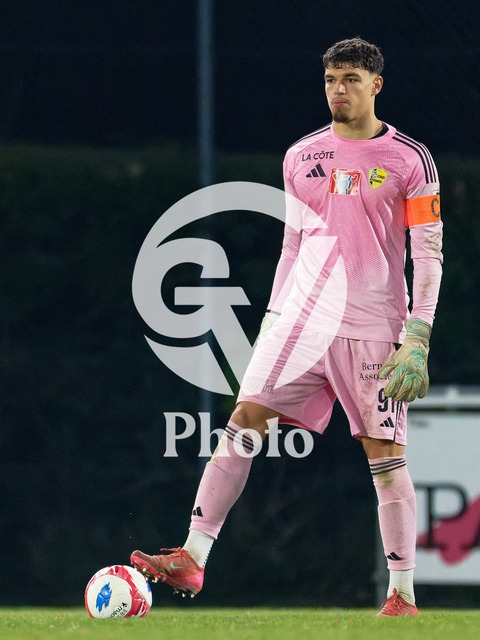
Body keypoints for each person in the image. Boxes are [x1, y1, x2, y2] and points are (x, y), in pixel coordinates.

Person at [131, 37, 443, 617]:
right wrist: (274, 318)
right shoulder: (301, 155)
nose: (338, 90)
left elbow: (427, 253)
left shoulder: (410, 159)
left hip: (372, 327)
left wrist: (418, 335)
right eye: (330, 79)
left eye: (350, 79)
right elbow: (293, 243)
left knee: (385, 456)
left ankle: (402, 594)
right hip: (301, 322)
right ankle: (194, 556)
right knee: (242, 422)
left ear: (376, 85)